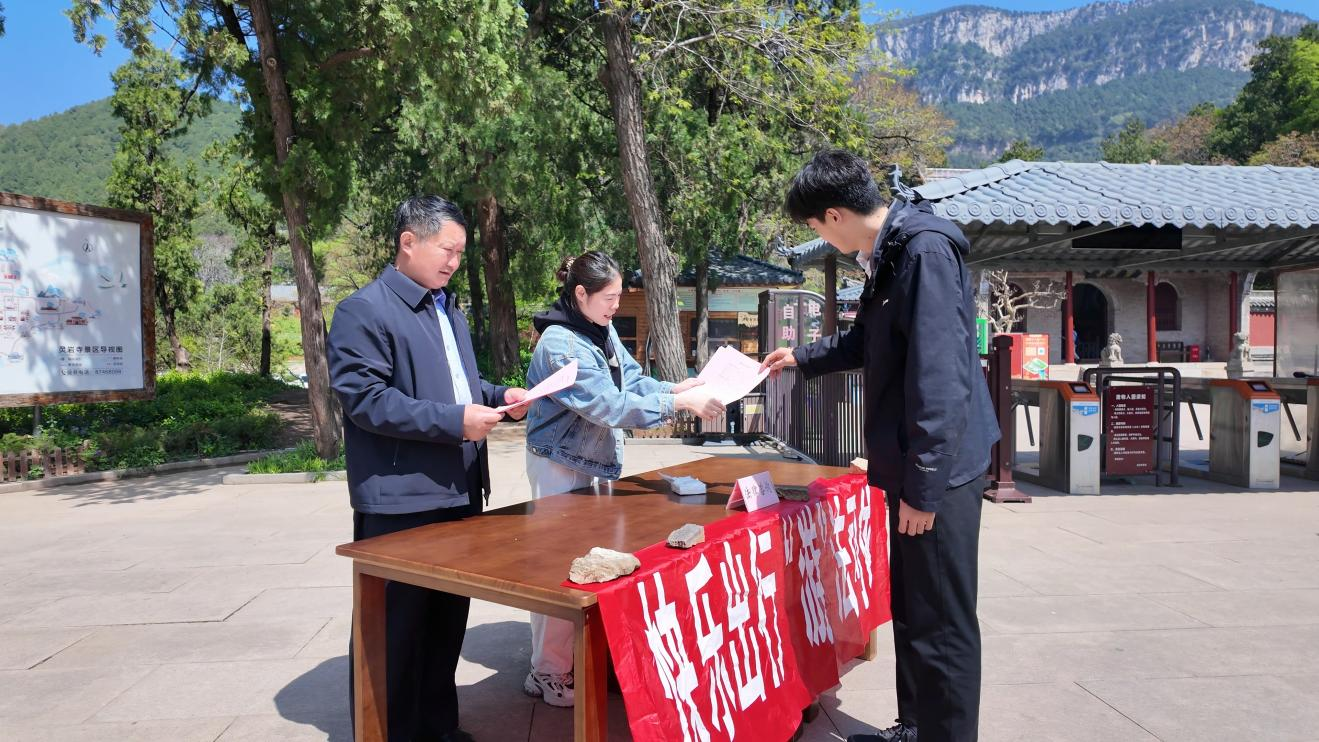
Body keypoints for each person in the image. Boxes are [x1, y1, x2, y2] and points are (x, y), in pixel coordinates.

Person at [761, 150, 999, 742]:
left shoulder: (923, 251)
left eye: (815, 226)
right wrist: (800, 357)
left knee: (942, 620)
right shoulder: (890, 251)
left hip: (939, 471)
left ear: (834, 215)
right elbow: (868, 340)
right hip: (914, 463)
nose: (821, 237)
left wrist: (923, 488)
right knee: (914, 607)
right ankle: (916, 726)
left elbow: (941, 378)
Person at [327, 195, 528, 742]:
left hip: (458, 490)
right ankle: (389, 732)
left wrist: (499, 395)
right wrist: (454, 421)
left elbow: (458, 383)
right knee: (394, 631)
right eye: (447, 250)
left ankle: (438, 728)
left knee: (444, 625)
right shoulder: (363, 311)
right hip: (403, 500)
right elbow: (366, 400)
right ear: (408, 242)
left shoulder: (446, 308)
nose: (455, 262)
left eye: (461, 253)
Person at [521, 250, 724, 707]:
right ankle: (548, 671)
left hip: (590, 460)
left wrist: (673, 388)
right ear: (581, 294)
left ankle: (574, 659)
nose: (616, 306)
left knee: (593, 561)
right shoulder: (561, 343)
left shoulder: (599, 326)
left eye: (618, 296)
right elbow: (608, 405)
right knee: (561, 567)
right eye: (609, 298)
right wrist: (678, 404)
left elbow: (629, 378)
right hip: (559, 462)